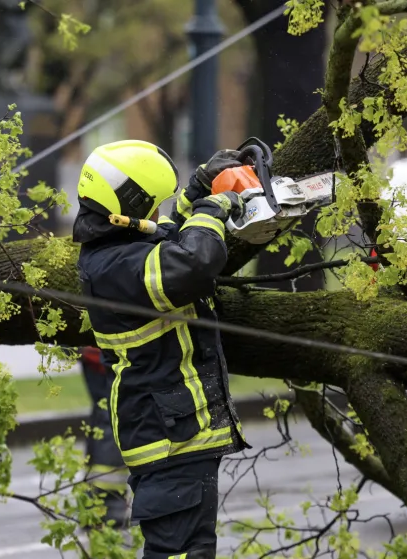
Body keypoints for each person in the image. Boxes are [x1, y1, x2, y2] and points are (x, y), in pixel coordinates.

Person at [72, 140, 250, 559]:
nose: (158, 214)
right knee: (181, 553)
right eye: (154, 205)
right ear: (127, 207)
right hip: (169, 441)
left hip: (177, 436)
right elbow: (190, 263)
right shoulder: (114, 267)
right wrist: (212, 210)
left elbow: (169, 235)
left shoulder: (119, 246)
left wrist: (198, 189)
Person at [78, 345, 130, 529]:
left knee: (103, 416)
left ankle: (94, 505)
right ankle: (108, 507)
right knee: (111, 418)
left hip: (95, 351)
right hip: (108, 351)